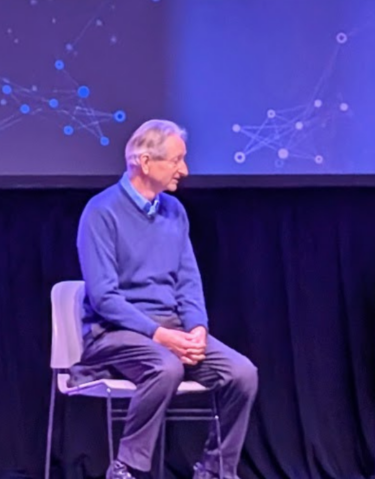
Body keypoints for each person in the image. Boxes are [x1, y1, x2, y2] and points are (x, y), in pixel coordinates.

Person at [72, 119, 258, 479]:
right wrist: (160, 336)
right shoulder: (101, 212)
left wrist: (198, 328)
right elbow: (104, 297)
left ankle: (215, 470)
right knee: (166, 367)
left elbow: (188, 281)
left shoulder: (174, 211)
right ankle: (125, 468)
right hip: (113, 333)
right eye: (176, 160)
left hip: (170, 330)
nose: (184, 170)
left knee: (242, 373)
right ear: (144, 162)